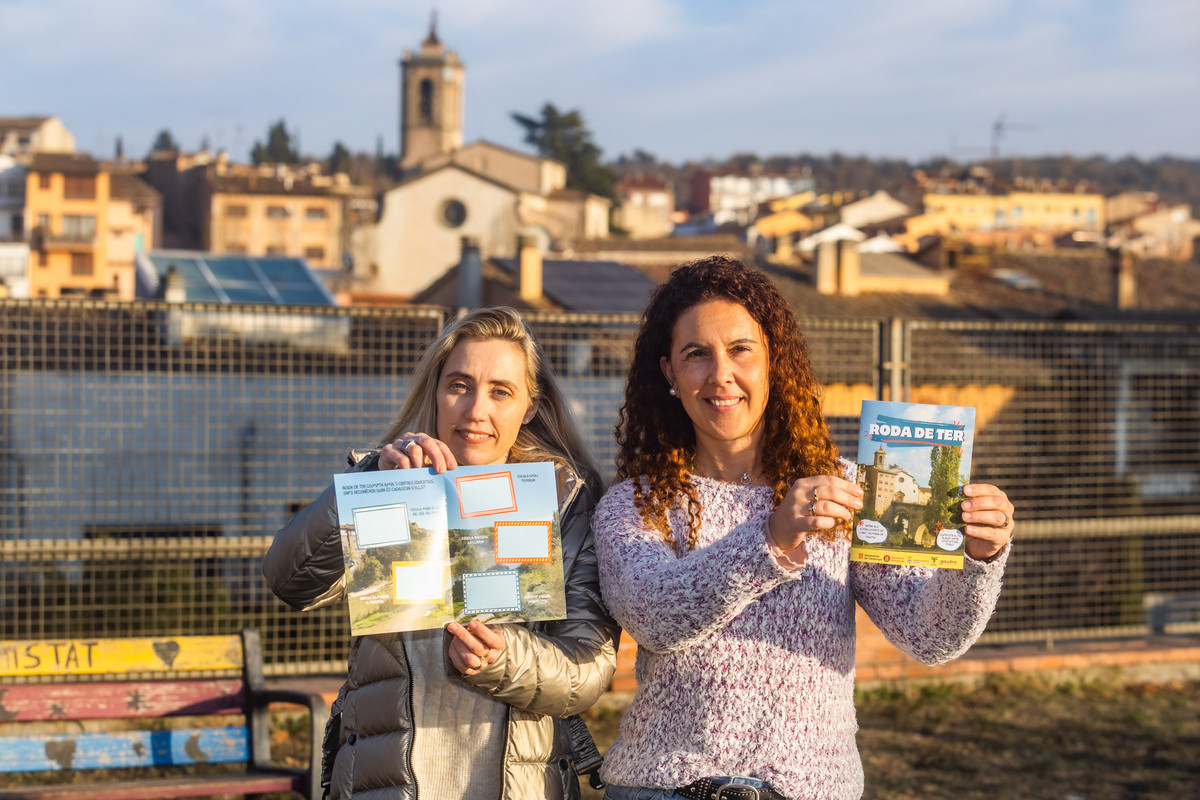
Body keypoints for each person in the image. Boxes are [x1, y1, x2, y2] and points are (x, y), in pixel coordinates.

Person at [592, 257, 1015, 800]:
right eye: (697, 354)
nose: (721, 374)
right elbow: (655, 618)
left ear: (773, 361)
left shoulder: (847, 493)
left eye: (741, 349)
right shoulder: (634, 504)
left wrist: (977, 559)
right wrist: (771, 538)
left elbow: (931, 636)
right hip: (662, 788)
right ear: (670, 373)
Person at [263, 306, 620, 800]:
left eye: (501, 391)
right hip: (383, 785)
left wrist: (500, 658)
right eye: (459, 385)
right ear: (436, 391)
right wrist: (366, 487)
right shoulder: (389, 484)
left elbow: (585, 673)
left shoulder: (563, 505)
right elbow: (289, 581)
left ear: (530, 407)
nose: (476, 409)